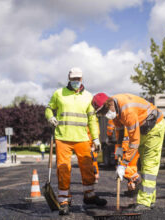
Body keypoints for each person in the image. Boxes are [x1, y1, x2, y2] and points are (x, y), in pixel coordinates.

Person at [45, 67, 107, 215]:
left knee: (87, 168)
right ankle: (64, 201)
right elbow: (48, 108)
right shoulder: (58, 94)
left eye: (78, 79)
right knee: (63, 169)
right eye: (73, 79)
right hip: (63, 138)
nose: (76, 82)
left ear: (82, 79)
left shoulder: (88, 96)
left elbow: (92, 119)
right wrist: (50, 117)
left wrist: (96, 138)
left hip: (82, 139)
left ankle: (89, 196)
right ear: (69, 78)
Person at [92, 93, 165, 211]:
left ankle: (144, 202)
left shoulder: (127, 111)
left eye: (105, 111)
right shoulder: (115, 109)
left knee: (149, 164)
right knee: (144, 165)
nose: (105, 115)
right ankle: (149, 199)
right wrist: (119, 147)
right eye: (102, 113)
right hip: (143, 127)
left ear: (109, 104)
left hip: (154, 127)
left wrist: (123, 164)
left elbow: (134, 142)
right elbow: (120, 130)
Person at [107, 119, 141, 196]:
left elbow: (110, 127)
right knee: (132, 166)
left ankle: (136, 178)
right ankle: (131, 189)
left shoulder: (116, 114)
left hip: (124, 145)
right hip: (135, 145)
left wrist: (109, 136)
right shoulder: (133, 113)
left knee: (122, 167)